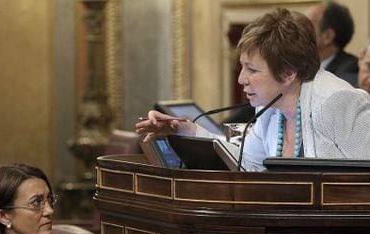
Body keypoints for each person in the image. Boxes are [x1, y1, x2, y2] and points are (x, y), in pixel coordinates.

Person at [135, 8, 370, 172]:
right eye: (242, 68)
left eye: (252, 70)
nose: (241, 79)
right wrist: (186, 130)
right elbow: (246, 160)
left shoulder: (337, 101)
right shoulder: (272, 110)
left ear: (288, 73)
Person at [306, 1, 358, 86]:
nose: (299, 31)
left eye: (306, 25)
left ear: (328, 36)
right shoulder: (302, 66)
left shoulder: (349, 72)